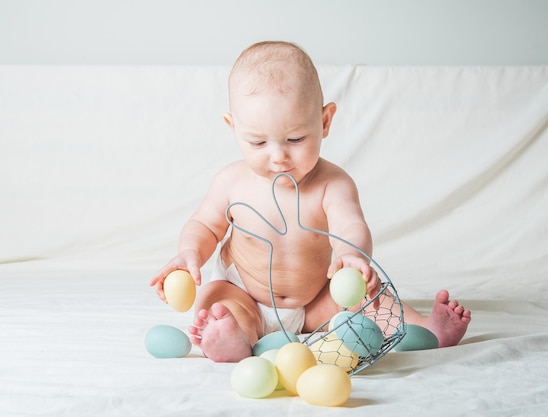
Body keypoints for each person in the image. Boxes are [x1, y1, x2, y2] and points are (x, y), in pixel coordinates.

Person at [150, 41, 471, 362]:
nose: (278, 156)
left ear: (325, 121)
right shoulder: (231, 182)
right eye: (258, 141)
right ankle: (234, 335)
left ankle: (424, 329)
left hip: (315, 300)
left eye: (296, 139)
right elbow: (205, 225)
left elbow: (351, 224)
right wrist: (189, 252)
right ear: (233, 128)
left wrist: (350, 257)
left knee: (372, 300)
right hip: (244, 292)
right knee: (215, 300)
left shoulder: (333, 183)